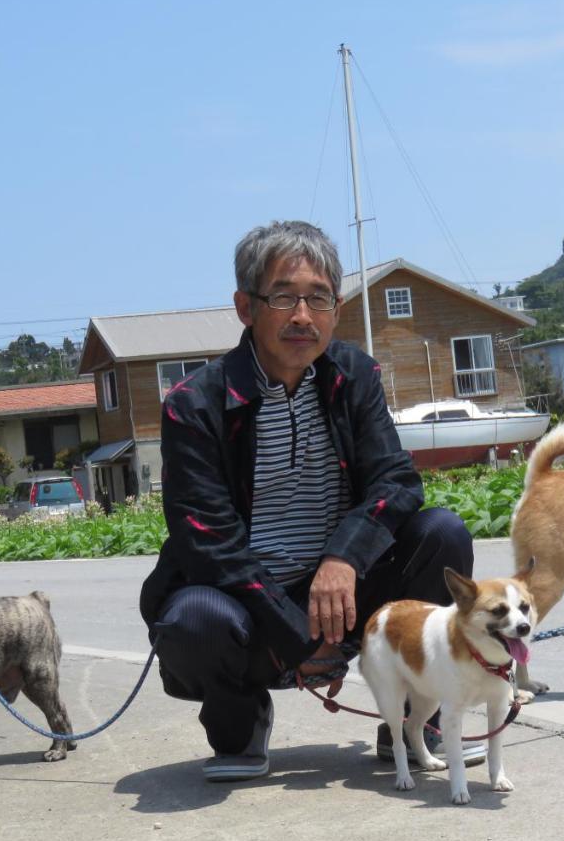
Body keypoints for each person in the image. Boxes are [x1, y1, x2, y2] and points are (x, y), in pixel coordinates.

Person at [140, 220, 477, 782]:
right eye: (283, 297)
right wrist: (295, 636)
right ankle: (240, 723)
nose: (303, 315)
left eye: (318, 298)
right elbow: (209, 540)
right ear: (246, 307)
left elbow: (396, 482)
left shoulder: (355, 377)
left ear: (336, 309)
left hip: (342, 597)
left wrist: (343, 557)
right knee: (192, 617)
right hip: (248, 606)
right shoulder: (193, 405)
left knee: (442, 533)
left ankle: (416, 719)